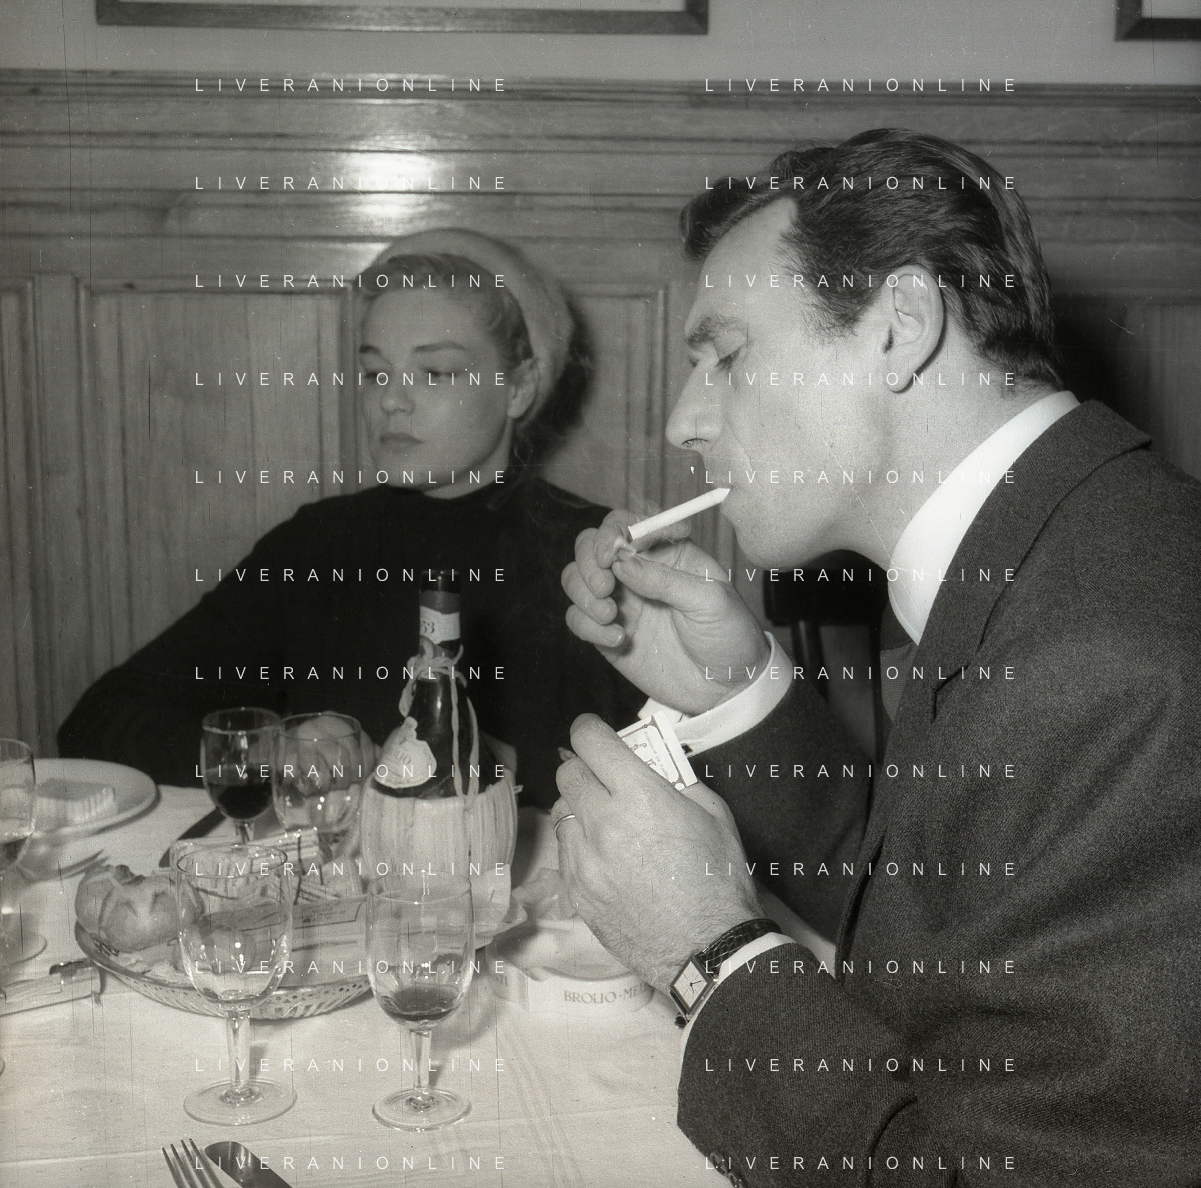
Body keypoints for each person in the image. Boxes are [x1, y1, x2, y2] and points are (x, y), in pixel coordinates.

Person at [555, 130, 1201, 1185]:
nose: (683, 421)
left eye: (725, 356)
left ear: (901, 325)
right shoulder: (1053, 543)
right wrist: (734, 691)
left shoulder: (1109, 662)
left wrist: (710, 957)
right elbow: (942, 919)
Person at [59, 229, 641, 808]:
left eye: (435, 373)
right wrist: (277, 751)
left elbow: (670, 769)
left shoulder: (596, 552)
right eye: (375, 373)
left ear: (519, 387)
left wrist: (493, 764)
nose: (391, 400)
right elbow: (100, 719)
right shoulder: (319, 545)